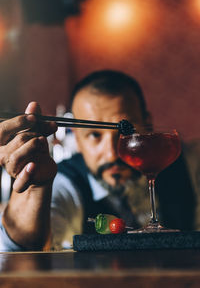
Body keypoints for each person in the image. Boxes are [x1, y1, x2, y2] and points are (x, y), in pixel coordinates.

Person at [0, 70, 196, 251]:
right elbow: (21, 248)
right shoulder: (64, 181)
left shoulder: (189, 165)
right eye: (94, 135)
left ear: (148, 124)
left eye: (122, 132)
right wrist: (36, 188)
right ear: (77, 138)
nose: (111, 154)